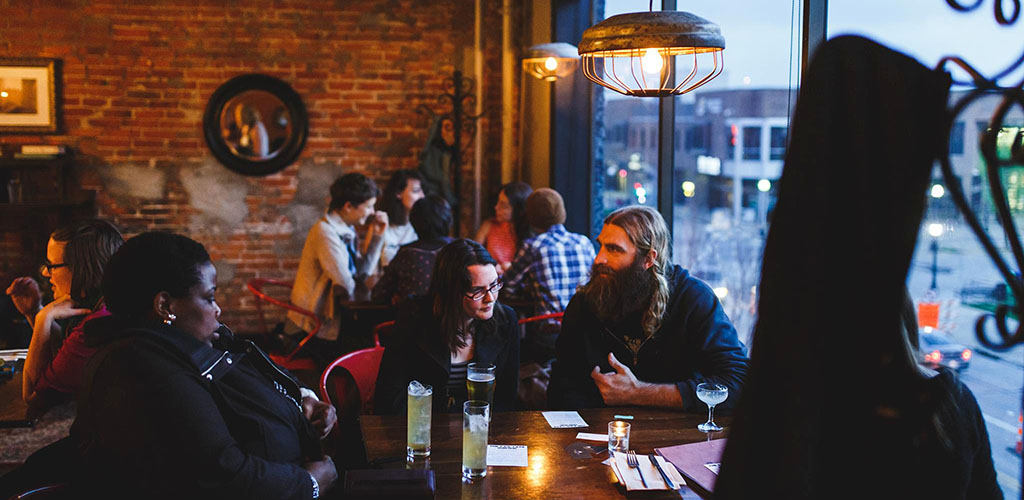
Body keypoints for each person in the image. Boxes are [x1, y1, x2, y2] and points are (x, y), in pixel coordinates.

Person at [70, 232, 338, 499]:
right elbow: (224, 473)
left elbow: (262, 374)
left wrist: (302, 397)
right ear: (165, 305)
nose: (217, 310)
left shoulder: (195, 343)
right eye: (209, 298)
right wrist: (310, 483)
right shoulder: (144, 368)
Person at [547, 206, 749, 410]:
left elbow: (738, 383)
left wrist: (637, 393)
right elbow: (562, 386)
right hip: (597, 435)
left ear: (648, 259)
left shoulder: (692, 299)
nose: (599, 259)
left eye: (614, 249)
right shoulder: (585, 302)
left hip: (677, 435)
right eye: (600, 246)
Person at [374, 239, 519, 414]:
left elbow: (507, 400)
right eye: (478, 290)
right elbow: (388, 397)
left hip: (481, 430)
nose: (490, 298)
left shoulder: (506, 320)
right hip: (423, 428)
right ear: (451, 291)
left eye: (494, 285)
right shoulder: (414, 317)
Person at [4, 219, 123, 410]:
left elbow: (34, 396)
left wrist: (44, 318)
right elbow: (65, 354)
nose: (44, 273)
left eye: (51, 266)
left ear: (81, 269)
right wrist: (35, 311)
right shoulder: (109, 305)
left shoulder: (96, 326)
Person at [500, 188, 595, 363]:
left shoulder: (533, 246)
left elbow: (505, 288)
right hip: (587, 330)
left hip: (551, 334)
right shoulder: (584, 242)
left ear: (532, 218)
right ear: (562, 213)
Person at [289, 173, 388, 341]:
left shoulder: (346, 228)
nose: (373, 212)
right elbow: (345, 282)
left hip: (332, 317)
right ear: (348, 206)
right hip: (312, 326)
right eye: (369, 206)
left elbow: (361, 274)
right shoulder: (325, 232)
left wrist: (377, 237)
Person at [372, 195, 453, 305]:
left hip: (413, 320)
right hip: (454, 321)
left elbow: (378, 294)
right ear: (448, 220)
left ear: (414, 222)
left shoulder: (407, 253)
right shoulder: (463, 249)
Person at [372, 169, 425, 270]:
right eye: (416, 191)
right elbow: (371, 266)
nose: (422, 196)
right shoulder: (382, 224)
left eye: (422, 191)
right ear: (398, 193)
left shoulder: (423, 225)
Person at [475, 182, 532, 272]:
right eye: (498, 202)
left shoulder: (530, 235)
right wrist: (491, 265)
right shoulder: (489, 225)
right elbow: (473, 254)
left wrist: (512, 267)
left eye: (503, 205)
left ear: (519, 210)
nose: (496, 207)